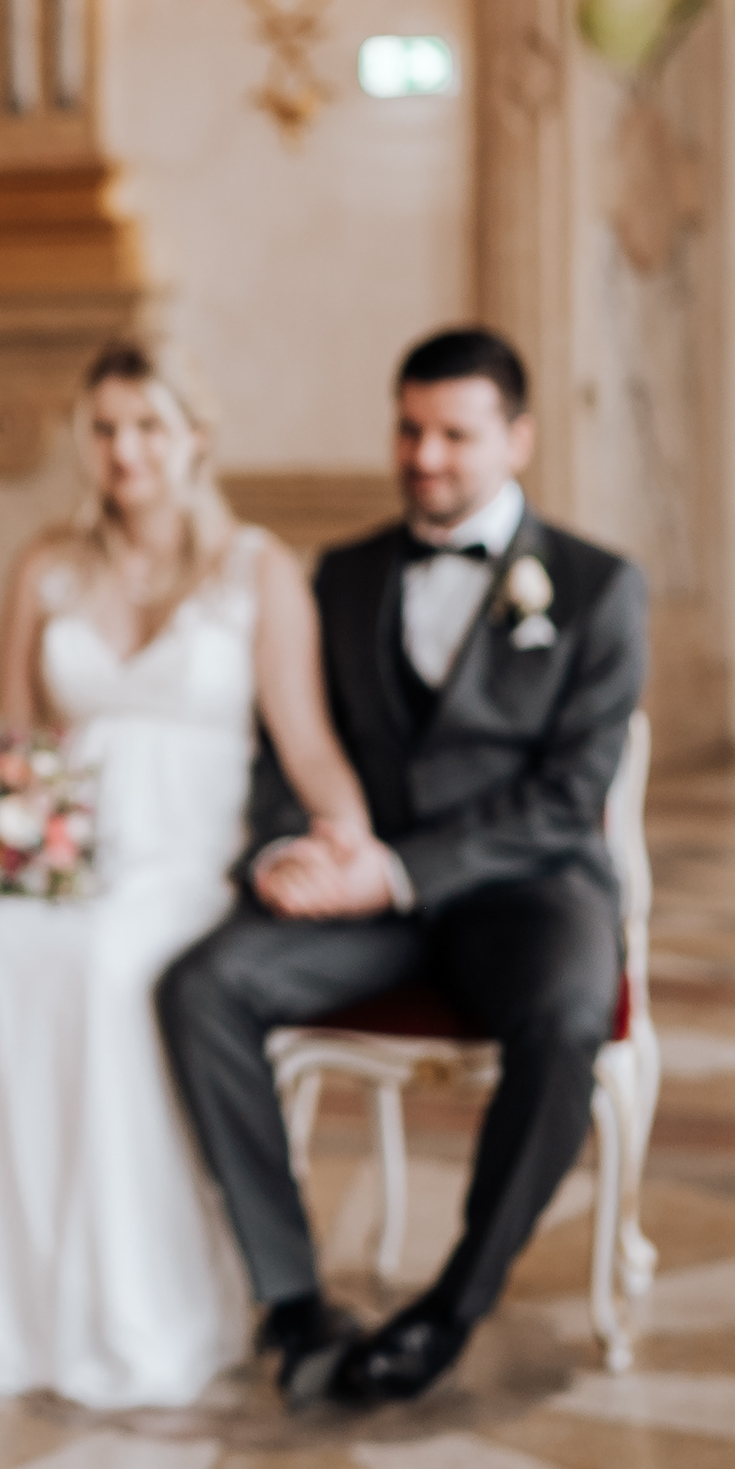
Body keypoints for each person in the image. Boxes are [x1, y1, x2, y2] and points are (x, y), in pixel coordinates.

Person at [0, 342, 373, 1409]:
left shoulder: (257, 569)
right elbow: (13, 739)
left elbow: (305, 740)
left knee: (112, 967)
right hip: (68, 854)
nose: (126, 450)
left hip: (185, 865)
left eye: (149, 425)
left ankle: (123, 1303)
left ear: (196, 437)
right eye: (105, 428)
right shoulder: (46, 565)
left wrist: (350, 833)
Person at [158, 326, 647, 1411]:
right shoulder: (343, 575)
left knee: (568, 1012)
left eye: (455, 435)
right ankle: (293, 1297)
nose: (425, 456)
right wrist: (287, 848)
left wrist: (399, 869)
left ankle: (452, 1307)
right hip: (363, 899)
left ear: (519, 439)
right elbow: (291, 740)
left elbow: (567, 797)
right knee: (203, 984)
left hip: (528, 893)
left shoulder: (599, 586)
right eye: (409, 429)